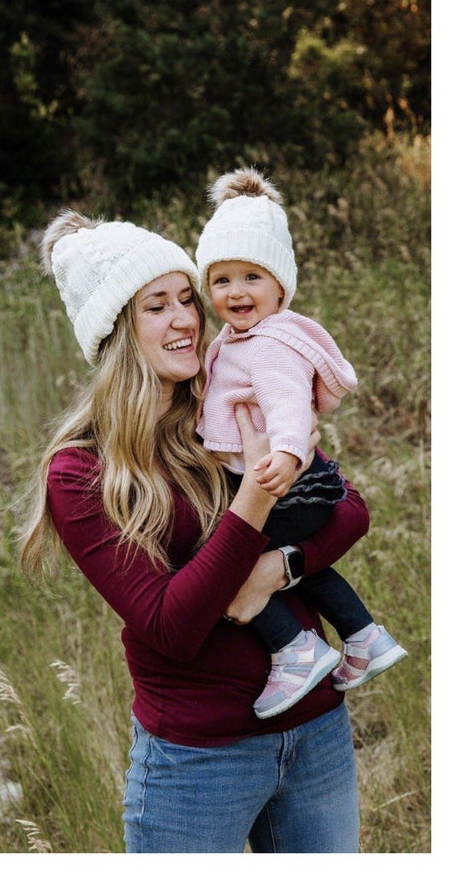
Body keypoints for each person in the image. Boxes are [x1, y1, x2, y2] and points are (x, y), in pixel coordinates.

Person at [20, 208, 370, 852]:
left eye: (187, 297)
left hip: (316, 732)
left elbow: (349, 509)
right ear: (115, 331)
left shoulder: (227, 401)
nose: (185, 318)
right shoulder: (82, 471)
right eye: (157, 307)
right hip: (199, 761)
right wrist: (256, 499)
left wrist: (276, 570)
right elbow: (171, 627)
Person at [195, 167, 407, 719]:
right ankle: (364, 637)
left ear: (280, 287)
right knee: (293, 564)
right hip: (290, 484)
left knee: (231, 561)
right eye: (221, 280)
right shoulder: (239, 339)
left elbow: (287, 402)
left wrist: (288, 454)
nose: (236, 291)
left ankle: (295, 649)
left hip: (287, 483)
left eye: (251, 276)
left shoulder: (269, 344)